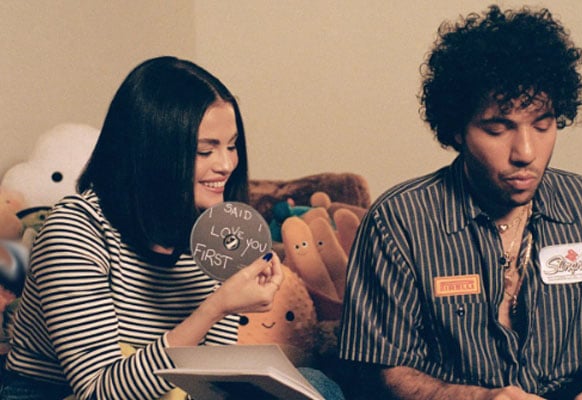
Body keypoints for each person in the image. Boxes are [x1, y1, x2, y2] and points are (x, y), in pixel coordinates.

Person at [339, 5, 582, 400]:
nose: (526, 152)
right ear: (457, 130)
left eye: (542, 125)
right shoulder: (397, 221)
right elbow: (383, 371)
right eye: (497, 129)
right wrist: (483, 399)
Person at [1, 56, 343, 400]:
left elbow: (207, 380)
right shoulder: (75, 229)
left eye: (232, 145)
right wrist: (216, 308)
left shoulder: (214, 233)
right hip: (60, 393)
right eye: (205, 150)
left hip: (171, 392)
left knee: (315, 382)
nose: (227, 164)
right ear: (152, 154)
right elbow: (98, 391)